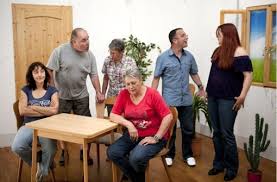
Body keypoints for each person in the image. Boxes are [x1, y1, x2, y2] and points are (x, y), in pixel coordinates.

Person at [47, 27, 104, 166]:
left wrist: (98, 91)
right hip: (62, 96)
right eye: (83, 40)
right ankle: (63, 151)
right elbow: (49, 69)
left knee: (87, 126)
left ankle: (84, 152)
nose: (87, 42)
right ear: (73, 42)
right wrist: (53, 89)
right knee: (61, 127)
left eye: (88, 39)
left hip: (81, 96)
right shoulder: (59, 51)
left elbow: (94, 75)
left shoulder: (89, 55)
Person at [152, 28, 205, 167]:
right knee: (171, 130)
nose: (186, 37)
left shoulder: (189, 57)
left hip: (186, 100)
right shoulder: (163, 58)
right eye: (183, 35)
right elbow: (156, 78)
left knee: (188, 129)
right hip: (170, 101)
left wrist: (200, 87)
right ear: (175, 40)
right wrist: (151, 97)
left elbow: (194, 73)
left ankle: (188, 154)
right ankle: (170, 154)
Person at [107, 69, 173, 182]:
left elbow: (168, 116)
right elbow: (113, 115)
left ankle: (132, 175)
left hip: (154, 136)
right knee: (112, 152)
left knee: (136, 158)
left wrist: (156, 137)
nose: (130, 87)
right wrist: (129, 124)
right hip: (134, 134)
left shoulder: (152, 94)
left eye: (133, 83)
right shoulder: (124, 94)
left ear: (141, 81)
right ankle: (137, 178)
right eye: (128, 84)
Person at [206, 23, 253, 181]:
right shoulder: (218, 51)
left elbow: (248, 75)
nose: (217, 37)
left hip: (228, 99)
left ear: (228, 35)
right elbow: (214, 74)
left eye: (219, 34)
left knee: (226, 133)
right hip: (213, 96)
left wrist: (242, 96)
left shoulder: (239, 51)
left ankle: (231, 168)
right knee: (216, 133)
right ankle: (219, 164)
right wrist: (208, 91)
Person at [12, 62, 59, 182]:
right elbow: (22, 111)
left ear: (45, 73)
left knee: (51, 150)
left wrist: (33, 107)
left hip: (46, 127)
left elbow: (54, 111)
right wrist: (45, 111)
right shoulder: (25, 90)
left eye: (42, 71)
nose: (39, 75)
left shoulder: (52, 90)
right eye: (36, 72)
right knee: (17, 147)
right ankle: (42, 162)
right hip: (29, 125)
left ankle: (42, 170)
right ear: (31, 75)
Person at [102, 39, 137, 115]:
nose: (111, 55)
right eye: (110, 52)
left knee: (125, 124)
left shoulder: (130, 62)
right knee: (112, 122)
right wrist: (103, 94)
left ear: (121, 52)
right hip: (111, 97)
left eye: (113, 53)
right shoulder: (107, 61)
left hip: (126, 98)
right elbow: (105, 78)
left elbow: (135, 81)